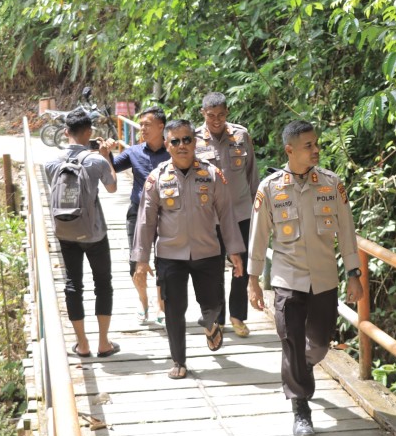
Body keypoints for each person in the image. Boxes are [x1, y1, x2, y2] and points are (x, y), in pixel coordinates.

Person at [247, 120, 364, 436]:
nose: (316, 150)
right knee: (292, 343)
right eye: (308, 145)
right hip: (287, 278)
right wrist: (253, 280)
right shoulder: (269, 188)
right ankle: (301, 408)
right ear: (290, 150)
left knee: (320, 344)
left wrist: (354, 273)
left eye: (316, 144)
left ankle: (302, 367)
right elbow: (258, 237)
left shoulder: (332, 184)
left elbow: (347, 233)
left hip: (325, 279)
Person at [132, 120, 246, 379]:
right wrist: (141, 260)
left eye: (186, 140)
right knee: (173, 308)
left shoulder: (213, 175)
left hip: (207, 252)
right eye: (175, 141)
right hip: (170, 255)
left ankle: (210, 323)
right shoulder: (156, 178)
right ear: (166, 145)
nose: (181, 145)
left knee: (212, 304)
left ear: (195, 142)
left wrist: (235, 252)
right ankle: (179, 360)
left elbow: (226, 215)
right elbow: (146, 221)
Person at [44, 108, 121, 358]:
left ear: (65, 132)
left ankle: (82, 344)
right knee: (103, 284)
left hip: (65, 231)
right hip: (94, 232)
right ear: (89, 133)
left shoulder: (51, 163)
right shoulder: (96, 160)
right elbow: (111, 187)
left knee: (73, 285)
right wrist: (106, 155)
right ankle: (103, 343)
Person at [194, 92, 260, 338]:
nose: (216, 120)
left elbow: (252, 173)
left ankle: (237, 316)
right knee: (212, 269)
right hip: (209, 216)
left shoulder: (241, 136)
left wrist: (258, 208)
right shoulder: (194, 140)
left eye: (221, 115)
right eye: (211, 116)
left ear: (227, 112)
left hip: (241, 212)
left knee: (240, 267)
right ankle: (218, 318)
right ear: (203, 113)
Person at [105, 106, 170, 326]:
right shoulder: (134, 152)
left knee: (165, 261)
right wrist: (106, 153)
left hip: (167, 212)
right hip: (138, 212)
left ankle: (161, 305)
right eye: (140, 124)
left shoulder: (173, 151)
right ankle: (143, 301)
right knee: (135, 262)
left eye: (147, 124)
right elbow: (111, 168)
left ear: (161, 127)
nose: (142, 128)